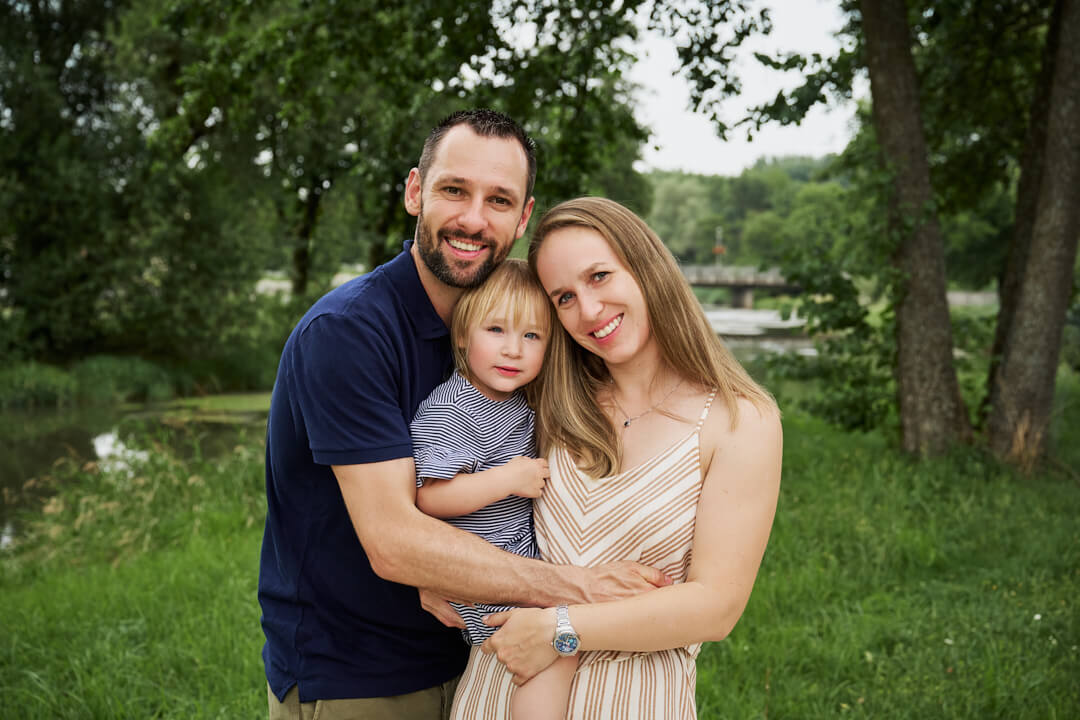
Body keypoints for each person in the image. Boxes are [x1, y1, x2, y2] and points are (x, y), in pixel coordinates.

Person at [259, 112, 669, 720]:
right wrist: (580, 591)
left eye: (498, 200)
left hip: (485, 662)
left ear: (523, 217)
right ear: (414, 192)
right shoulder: (349, 334)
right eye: (454, 190)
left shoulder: (524, 333)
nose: (474, 219)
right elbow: (397, 541)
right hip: (364, 676)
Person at [448, 197, 783, 719]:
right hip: (503, 687)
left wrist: (559, 628)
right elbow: (451, 495)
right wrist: (437, 574)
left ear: (646, 267)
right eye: (564, 297)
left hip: (636, 698)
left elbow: (717, 606)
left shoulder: (741, 421)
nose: (588, 310)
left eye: (599, 276)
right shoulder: (546, 400)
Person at [411, 258, 576, 720]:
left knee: (563, 643)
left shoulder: (518, 404)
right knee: (553, 652)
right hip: (477, 572)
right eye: (496, 330)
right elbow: (430, 497)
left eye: (531, 336)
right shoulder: (453, 409)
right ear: (463, 335)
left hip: (515, 558)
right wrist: (507, 479)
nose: (513, 350)